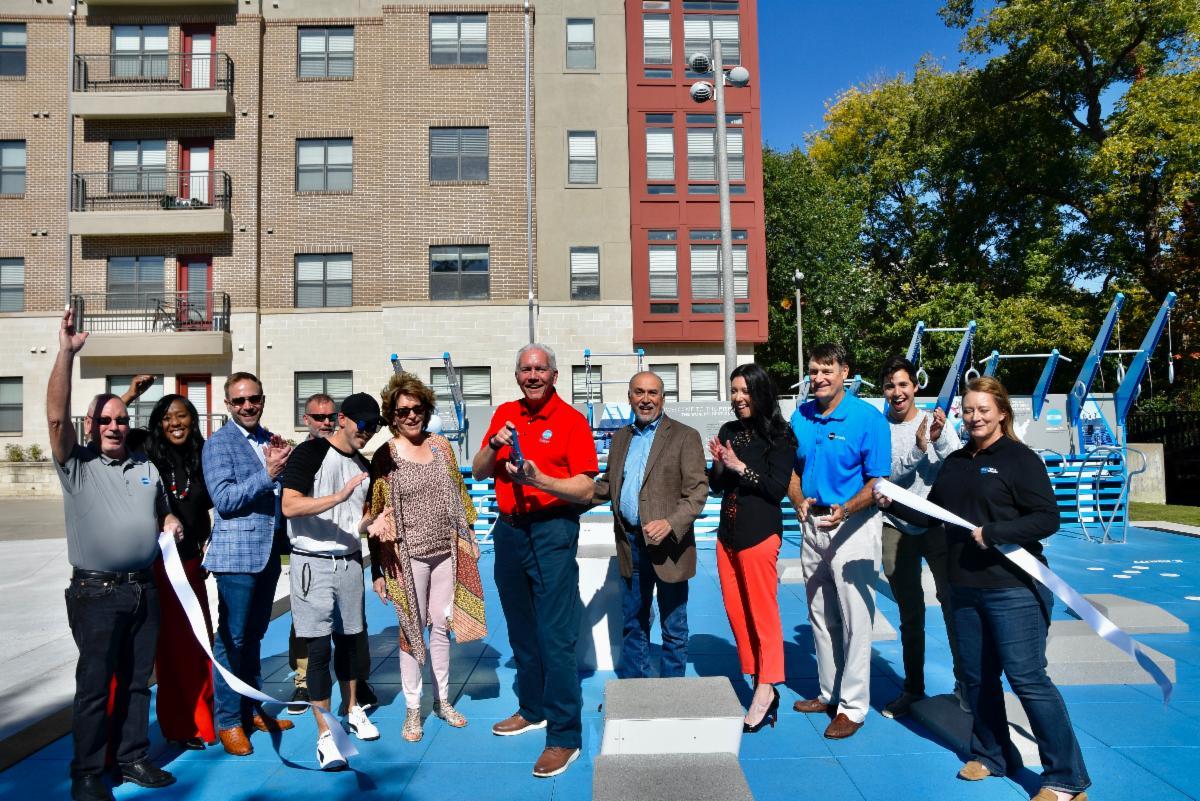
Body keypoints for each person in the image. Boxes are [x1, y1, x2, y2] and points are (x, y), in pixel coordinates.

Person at [875, 377, 1090, 801]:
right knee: (977, 679)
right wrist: (892, 503)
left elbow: (1047, 518)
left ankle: (1066, 778)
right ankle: (992, 754)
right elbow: (933, 514)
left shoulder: (1020, 459)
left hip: (1013, 588)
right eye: (969, 410)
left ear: (1002, 413)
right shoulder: (956, 461)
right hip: (964, 587)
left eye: (983, 410)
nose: (974, 418)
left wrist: (993, 533)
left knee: (1028, 679)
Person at [47, 308, 182, 801]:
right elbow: (57, 417)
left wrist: (168, 520)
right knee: (94, 685)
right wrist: (65, 353)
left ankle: (131, 758)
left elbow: (161, 510)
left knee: (136, 683)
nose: (115, 426)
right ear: (90, 426)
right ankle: (86, 771)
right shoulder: (77, 466)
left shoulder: (144, 465)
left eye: (122, 420)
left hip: (143, 590)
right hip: (96, 592)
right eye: (105, 420)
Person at [471, 343, 598, 778]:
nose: (532, 375)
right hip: (509, 530)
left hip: (551, 530)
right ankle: (533, 708)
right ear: (517, 375)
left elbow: (585, 490)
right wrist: (493, 443)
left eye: (540, 368)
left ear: (554, 375)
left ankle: (564, 735)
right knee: (522, 629)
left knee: (555, 634)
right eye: (525, 369)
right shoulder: (505, 412)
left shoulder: (572, 421)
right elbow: (481, 467)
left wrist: (539, 479)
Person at [365, 373, 480, 742]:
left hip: (445, 550)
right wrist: (378, 569)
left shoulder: (443, 447)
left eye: (417, 409)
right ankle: (413, 709)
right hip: (405, 556)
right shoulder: (385, 455)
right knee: (410, 631)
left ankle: (442, 701)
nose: (411, 416)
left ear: (426, 410)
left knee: (442, 626)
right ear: (392, 416)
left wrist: (470, 534)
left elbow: (460, 494)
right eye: (403, 411)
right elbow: (375, 512)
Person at [788, 343, 890, 740]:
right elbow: (792, 471)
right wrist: (797, 500)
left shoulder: (867, 419)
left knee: (855, 619)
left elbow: (877, 481)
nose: (819, 378)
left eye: (827, 370)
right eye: (813, 371)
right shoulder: (802, 415)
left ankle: (853, 706)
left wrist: (845, 509)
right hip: (812, 524)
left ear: (845, 371)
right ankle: (829, 691)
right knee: (819, 613)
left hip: (854, 526)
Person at [282, 392, 382, 770]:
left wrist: (371, 524)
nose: (368, 433)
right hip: (313, 563)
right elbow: (290, 505)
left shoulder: (363, 465)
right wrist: (336, 496)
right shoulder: (309, 454)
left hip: (350, 562)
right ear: (343, 419)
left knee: (352, 643)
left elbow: (352, 521)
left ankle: (353, 709)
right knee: (319, 651)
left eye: (375, 427)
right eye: (363, 424)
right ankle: (326, 736)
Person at [592, 371, 708, 679]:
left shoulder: (685, 436)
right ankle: (638, 691)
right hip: (630, 544)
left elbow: (698, 491)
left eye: (653, 393)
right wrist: (562, 495)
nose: (646, 399)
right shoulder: (620, 439)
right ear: (630, 397)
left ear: (663, 398)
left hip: (669, 547)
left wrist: (671, 523)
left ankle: (671, 693)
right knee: (634, 621)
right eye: (639, 392)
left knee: (674, 626)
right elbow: (607, 486)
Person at [203, 372, 296, 756]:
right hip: (236, 557)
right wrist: (269, 473)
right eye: (239, 401)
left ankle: (252, 706)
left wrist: (283, 466)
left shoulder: (267, 438)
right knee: (232, 639)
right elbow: (224, 500)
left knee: (255, 636)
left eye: (253, 399)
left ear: (262, 399)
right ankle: (227, 720)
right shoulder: (218, 444)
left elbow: (277, 489)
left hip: (268, 552)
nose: (247, 406)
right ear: (228, 405)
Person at [707, 363, 795, 733]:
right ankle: (756, 671)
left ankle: (766, 685)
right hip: (727, 534)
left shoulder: (780, 435)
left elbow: (776, 490)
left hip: (759, 534)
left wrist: (740, 467)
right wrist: (718, 466)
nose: (738, 398)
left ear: (761, 393)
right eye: (734, 391)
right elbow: (716, 487)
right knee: (736, 610)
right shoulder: (729, 431)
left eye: (745, 391)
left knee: (763, 613)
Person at [877, 356, 964, 719]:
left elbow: (958, 464)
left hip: (938, 527)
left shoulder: (937, 422)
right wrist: (918, 448)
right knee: (910, 612)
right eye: (890, 386)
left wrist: (939, 438)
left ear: (915, 386)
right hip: (895, 525)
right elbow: (885, 475)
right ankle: (913, 688)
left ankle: (966, 685)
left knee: (953, 605)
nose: (897, 392)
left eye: (903, 384)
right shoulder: (879, 429)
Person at [143, 394, 217, 750]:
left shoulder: (202, 457)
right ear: (159, 422)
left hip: (190, 566)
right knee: (167, 650)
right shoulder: (146, 454)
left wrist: (211, 541)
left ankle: (201, 720)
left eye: (183, 416)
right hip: (154, 566)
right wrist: (129, 396)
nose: (176, 423)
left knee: (198, 643)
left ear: (193, 420)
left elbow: (219, 504)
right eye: (168, 417)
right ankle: (176, 725)